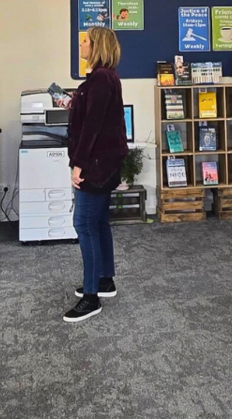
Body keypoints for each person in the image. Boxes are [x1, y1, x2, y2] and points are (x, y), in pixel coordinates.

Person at [63, 26, 128, 323]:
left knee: (84, 224)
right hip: (106, 160)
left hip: (97, 162)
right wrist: (72, 102)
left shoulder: (101, 78)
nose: (81, 47)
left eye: (85, 42)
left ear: (97, 45)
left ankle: (91, 298)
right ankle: (104, 279)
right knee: (99, 222)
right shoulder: (104, 77)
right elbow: (92, 115)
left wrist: (79, 163)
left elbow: (92, 126)